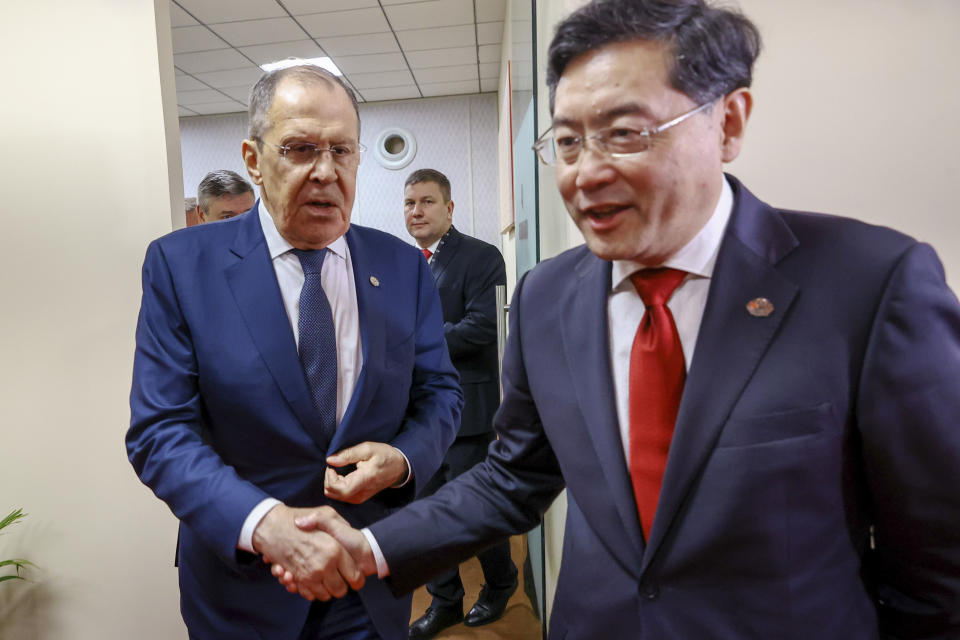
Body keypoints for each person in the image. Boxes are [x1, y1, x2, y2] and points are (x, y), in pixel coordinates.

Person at [272, 1, 960, 638]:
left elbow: (939, 564)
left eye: (626, 133)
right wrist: (369, 547)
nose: (586, 172)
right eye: (568, 142)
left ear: (730, 123)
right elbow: (513, 478)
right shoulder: (546, 298)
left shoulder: (871, 285)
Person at [127, 64, 462, 639]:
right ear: (254, 160)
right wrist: (265, 524)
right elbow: (160, 432)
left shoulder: (401, 267)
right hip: (244, 592)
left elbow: (440, 394)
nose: (325, 171)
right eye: (300, 148)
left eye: (342, 150)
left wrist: (403, 459)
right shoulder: (181, 267)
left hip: (368, 578)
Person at [402, 169, 516, 638]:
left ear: (449, 209)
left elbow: (484, 327)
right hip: (419, 414)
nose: (416, 211)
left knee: (474, 513)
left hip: (469, 411)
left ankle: (501, 582)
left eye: (427, 202)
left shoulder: (481, 256)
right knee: (425, 514)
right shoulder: (407, 264)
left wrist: (415, 342)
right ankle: (444, 600)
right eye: (409, 203)